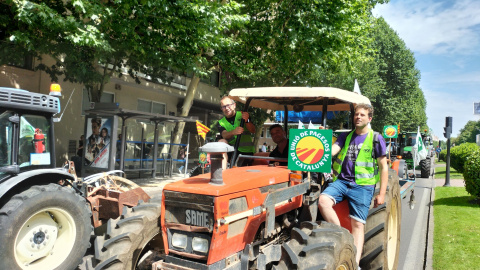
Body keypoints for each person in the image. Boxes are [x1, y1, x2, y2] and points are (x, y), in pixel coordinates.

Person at [318, 103, 388, 267]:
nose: (358, 117)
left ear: (369, 118)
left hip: (363, 186)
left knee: (357, 224)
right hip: (342, 182)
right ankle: (343, 236)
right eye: (356, 114)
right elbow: (331, 151)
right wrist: (321, 138)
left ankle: (354, 263)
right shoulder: (345, 136)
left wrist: (382, 193)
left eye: (362, 115)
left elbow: (384, 167)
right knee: (323, 201)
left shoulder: (376, 138)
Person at [216, 96, 256, 166]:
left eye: (228, 105)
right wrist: (233, 132)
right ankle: (223, 171)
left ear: (234, 105)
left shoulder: (243, 114)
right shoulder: (220, 122)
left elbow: (253, 130)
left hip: (247, 152)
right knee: (221, 142)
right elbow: (224, 134)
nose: (226, 108)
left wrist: (247, 121)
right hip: (232, 152)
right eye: (223, 107)